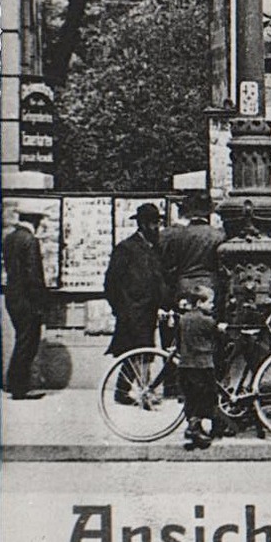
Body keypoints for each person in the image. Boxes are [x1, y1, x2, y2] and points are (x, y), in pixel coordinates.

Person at [104, 204, 171, 375]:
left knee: (141, 350)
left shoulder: (155, 248)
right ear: (142, 224)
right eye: (153, 223)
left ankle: (124, 391)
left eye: (158, 223)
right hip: (132, 308)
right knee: (138, 350)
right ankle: (143, 392)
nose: (157, 228)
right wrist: (120, 308)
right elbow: (111, 283)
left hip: (149, 309)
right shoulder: (126, 248)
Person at [2, 208, 49, 400]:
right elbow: (33, 274)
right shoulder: (30, 240)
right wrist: (40, 301)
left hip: (13, 296)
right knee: (28, 342)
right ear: (34, 221)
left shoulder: (10, 238)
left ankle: (13, 383)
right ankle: (18, 387)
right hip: (27, 299)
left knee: (22, 339)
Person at [175, 284, 222, 450]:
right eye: (210, 302)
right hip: (203, 366)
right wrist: (221, 329)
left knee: (192, 399)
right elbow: (216, 336)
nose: (213, 305)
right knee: (206, 397)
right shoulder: (207, 321)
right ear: (200, 303)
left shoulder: (183, 318)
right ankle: (195, 430)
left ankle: (194, 427)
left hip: (185, 366)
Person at [161, 192, 225, 312]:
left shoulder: (177, 235)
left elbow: (170, 266)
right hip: (209, 287)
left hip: (183, 286)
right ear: (209, 211)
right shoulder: (218, 236)